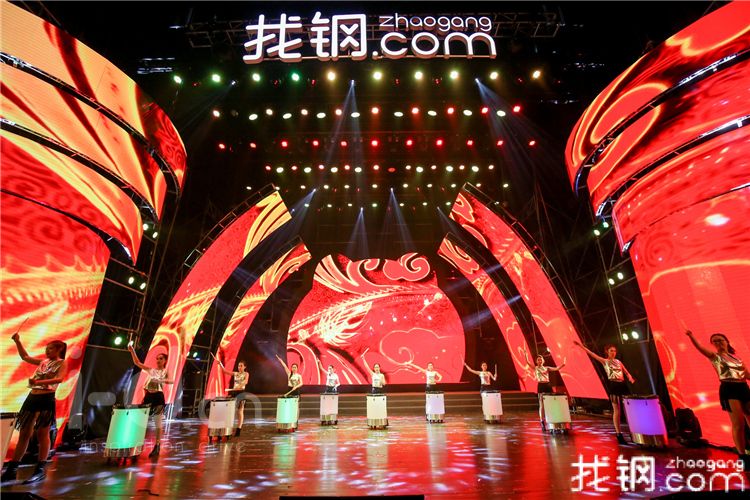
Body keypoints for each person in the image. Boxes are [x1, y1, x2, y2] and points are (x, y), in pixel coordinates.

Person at [1, 330, 67, 484]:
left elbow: (60, 379)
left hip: (46, 398)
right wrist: (17, 341)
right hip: (32, 397)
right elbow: (25, 357)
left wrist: (38, 382)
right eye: (47, 348)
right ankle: (12, 469)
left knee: (42, 433)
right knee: (24, 433)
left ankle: (40, 469)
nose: (47, 350)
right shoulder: (43, 362)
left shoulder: (61, 362)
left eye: (51, 348)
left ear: (59, 349)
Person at [685, 329, 750, 466]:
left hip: (743, 387)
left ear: (727, 341)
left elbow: (746, 374)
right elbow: (700, 348)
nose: (718, 342)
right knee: (738, 423)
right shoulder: (714, 356)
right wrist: (691, 336)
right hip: (729, 388)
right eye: (715, 341)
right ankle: (743, 456)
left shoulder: (737, 358)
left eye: (720, 340)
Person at [574, 340, 634, 444]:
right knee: (617, 410)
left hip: (622, 385)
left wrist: (630, 377)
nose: (613, 352)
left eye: (614, 351)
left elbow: (626, 372)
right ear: (607, 352)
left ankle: (633, 431)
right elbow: (591, 354)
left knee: (628, 409)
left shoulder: (618, 362)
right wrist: (580, 346)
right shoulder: (605, 361)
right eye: (611, 351)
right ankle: (619, 434)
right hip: (614, 385)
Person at [129, 343, 173, 457]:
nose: (158, 360)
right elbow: (137, 363)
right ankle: (137, 445)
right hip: (148, 396)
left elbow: (171, 381)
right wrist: (132, 351)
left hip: (158, 397)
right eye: (157, 358)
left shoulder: (165, 371)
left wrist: (160, 381)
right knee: (140, 421)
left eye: (161, 358)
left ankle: (157, 445)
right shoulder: (151, 370)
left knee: (158, 423)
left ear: (165, 360)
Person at [522, 347, 566, 428]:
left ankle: (553, 418)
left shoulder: (547, 368)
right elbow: (527, 362)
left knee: (551, 402)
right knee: (541, 404)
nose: (540, 361)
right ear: (536, 361)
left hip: (548, 385)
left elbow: (556, 368)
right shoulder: (535, 368)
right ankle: (542, 420)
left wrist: (563, 364)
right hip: (541, 386)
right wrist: (525, 354)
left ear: (543, 361)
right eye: (538, 360)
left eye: (541, 359)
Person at [212, 353, 249, 436]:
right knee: (231, 410)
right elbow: (225, 371)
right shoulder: (235, 373)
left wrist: (240, 385)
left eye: (241, 366)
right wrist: (220, 364)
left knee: (240, 411)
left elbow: (246, 381)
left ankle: (239, 429)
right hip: (234, 393)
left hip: (241, 393)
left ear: (244, 367)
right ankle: (228, 428)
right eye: (239, 366)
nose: (239, 367)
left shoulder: (246, 374)